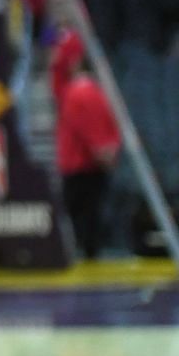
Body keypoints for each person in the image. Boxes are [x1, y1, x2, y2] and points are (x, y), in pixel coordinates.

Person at [55, 44, 122, 259]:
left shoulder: (77, 92)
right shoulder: (99, 92)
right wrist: (109, 150)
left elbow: (85, 125)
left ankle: (82, 252)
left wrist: (101, 150)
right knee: (91, 215)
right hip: (94, 163)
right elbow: (112, 126)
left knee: (79, 216)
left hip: (78, 164)